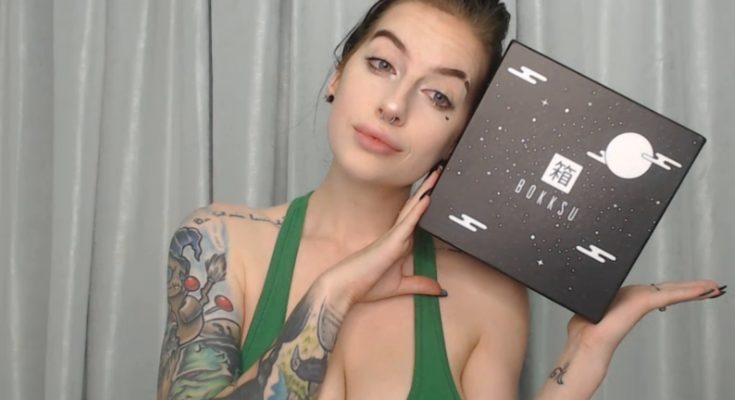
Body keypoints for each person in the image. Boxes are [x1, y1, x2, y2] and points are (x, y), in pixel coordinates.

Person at [156, 1, 726, 399]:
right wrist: (333, 292)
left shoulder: (486, 294)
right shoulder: (219, 244)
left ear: (461, 137)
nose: (394, 105)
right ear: (338, 74)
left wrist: (585, 355)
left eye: (438, 96)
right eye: (382, 64)